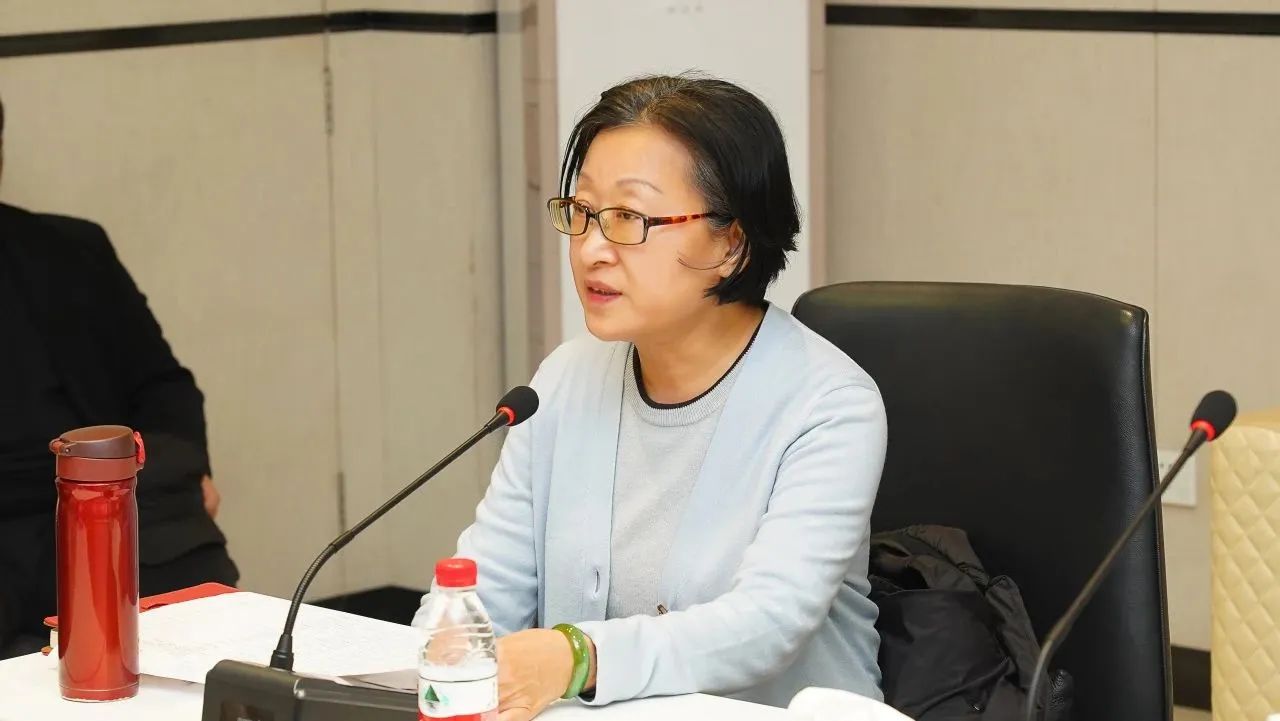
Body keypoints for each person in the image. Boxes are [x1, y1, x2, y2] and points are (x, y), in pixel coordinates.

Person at [415, 75, 888, 719]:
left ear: (731, 243)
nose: (592, 250)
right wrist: (446, 645)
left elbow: (768, 623)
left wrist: (578, 657)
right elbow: (484, 595)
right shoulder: (561, 382)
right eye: (582, 213)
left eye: (629, 219)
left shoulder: (829, 405)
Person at [0, 94, 238, 658]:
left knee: (208, 632)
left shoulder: (70, 251)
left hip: (100, 506)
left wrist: (189, 465)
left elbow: (162, 385)